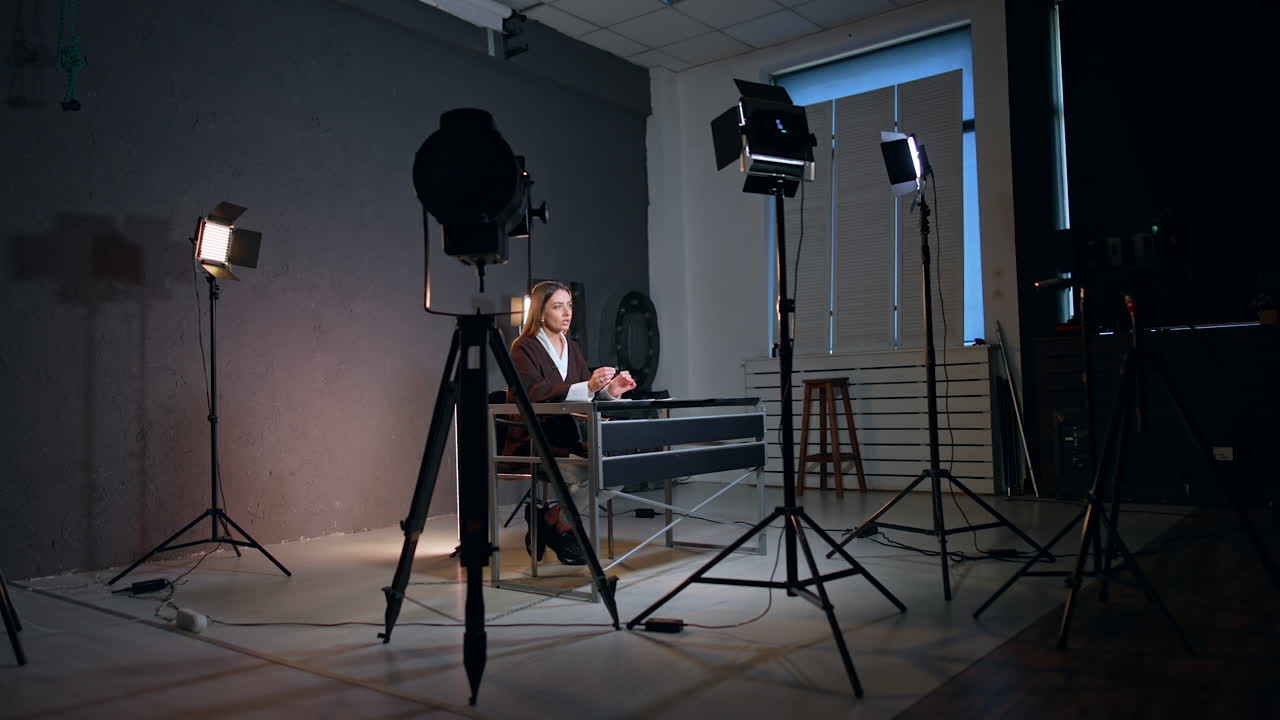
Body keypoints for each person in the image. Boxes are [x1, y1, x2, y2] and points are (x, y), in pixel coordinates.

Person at [504, 280, 636, 565]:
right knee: (587, 476)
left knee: (616, 474)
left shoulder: (571, 347)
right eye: (558, 306)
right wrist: (588, 385)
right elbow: (533, 393)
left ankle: (553, 518)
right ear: (540, 312)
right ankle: (562, 528)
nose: (567, 313)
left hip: (567, 440)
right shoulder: (523, 347)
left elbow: (584, 391)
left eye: (570, 306)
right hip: (535, 442)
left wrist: (611, 390)